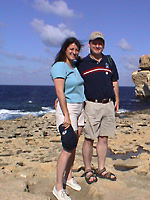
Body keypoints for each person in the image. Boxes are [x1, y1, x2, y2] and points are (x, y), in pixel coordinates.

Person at [78, 31, 119, 184]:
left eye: (100, 43)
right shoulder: (82, 63)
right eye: (94, 43)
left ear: (103, 45)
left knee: (103, 138)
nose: (97, 45)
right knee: (89, 139)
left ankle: (101, 168)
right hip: (91, 105)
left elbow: (114, 81)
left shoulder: (109, 60)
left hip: (108, 104)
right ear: (89, 44)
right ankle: (88, 169)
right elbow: (72, 81)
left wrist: (117, 99)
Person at [50, 37, 85, 200]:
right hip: (68, 109)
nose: (74, 52)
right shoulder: (59, 66)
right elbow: (59, 92)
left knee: (74, 146)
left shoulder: (75, 65)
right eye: (71, 49)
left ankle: (68, 177)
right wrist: (66, 115)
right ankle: (58, 186)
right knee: (67, 146)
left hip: (79, 108)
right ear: (65, 49)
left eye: (77, 50)